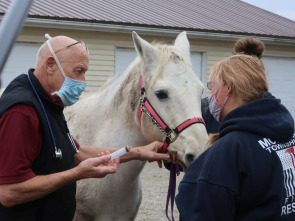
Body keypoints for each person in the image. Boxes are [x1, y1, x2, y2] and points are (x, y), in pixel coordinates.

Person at [0, 34, 170, 220]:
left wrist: (138, 152)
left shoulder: (49, 101)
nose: (82, 81)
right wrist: (76, 174)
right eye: (78, 71)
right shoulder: (22, 111)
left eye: (85, 72)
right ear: (50, 65)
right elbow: (9, 192)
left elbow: (76, 153)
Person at [175, 38, 295, 221]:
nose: (210, 95)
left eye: (212, 86)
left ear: (228, 87)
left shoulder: (229, 150)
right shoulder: (286, 133)